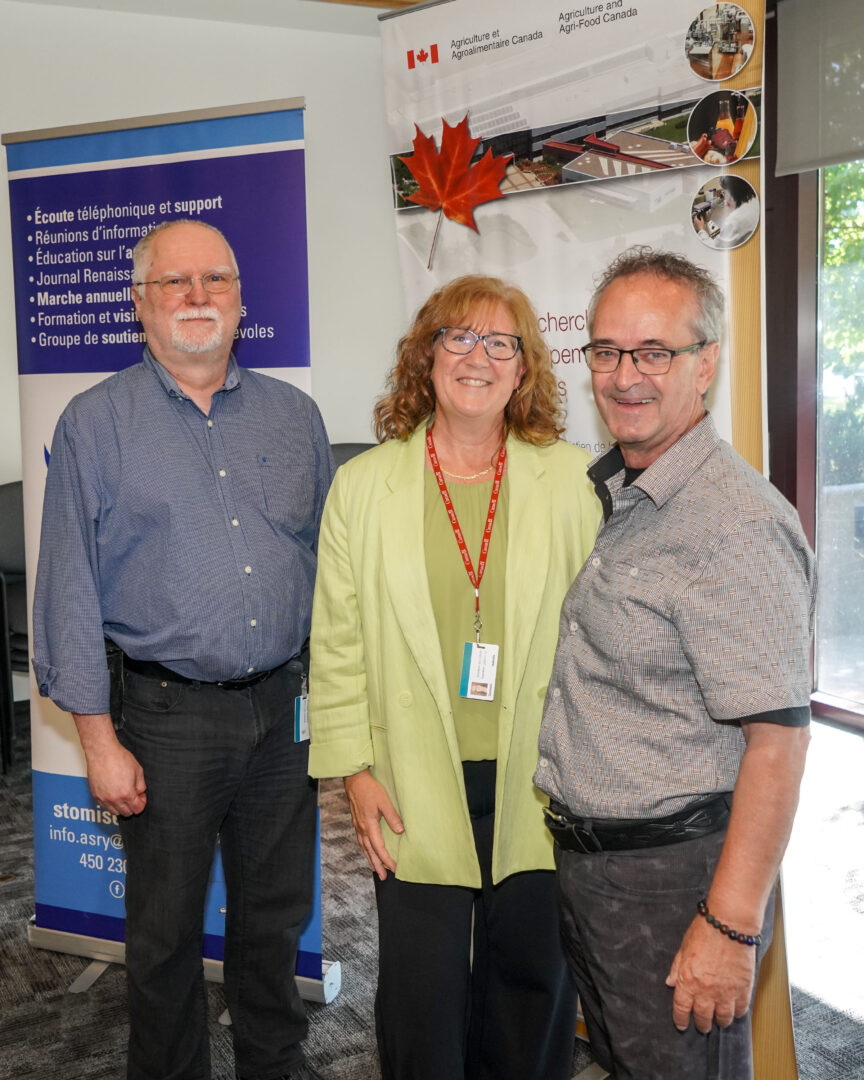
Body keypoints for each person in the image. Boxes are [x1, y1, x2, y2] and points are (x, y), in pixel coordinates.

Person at [32, 219, 333, 1080]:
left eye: (216, 281)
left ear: (243, 301)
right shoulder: (95, 425)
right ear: (140, 304)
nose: (198, 297)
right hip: (166, 719)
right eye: (175, 283)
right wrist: (97, 740)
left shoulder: (295, 416)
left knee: (274, 917)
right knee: (163, 933)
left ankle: (275, 1064)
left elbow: (329, 567)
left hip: (285, 711)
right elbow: (68, 592)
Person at [307, 275, 601, 1080]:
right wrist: (353, 773)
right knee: (420, 990)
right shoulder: (364, 488)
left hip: (540, 779)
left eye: (500, 342)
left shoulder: (574, 483)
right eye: (458, 338)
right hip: (409, 775)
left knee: (534, 981)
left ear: (524, 370)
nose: (478, 357)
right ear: (426, 357)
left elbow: (601, 644)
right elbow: (335, 642)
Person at [536, 246, 816, 1080]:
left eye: (655, 352)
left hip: (674, 886)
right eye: (609, 351)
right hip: (604, 875)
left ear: (706, 365)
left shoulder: (732, 526)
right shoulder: (631, 490)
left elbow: (780, 744)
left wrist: (728, 929)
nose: (627, 376)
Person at [694, 174, 760, 250]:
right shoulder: (754, 202)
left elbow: (715, 247)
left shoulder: (734, 220)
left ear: (734, 192)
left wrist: (700, 229)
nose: (724, 197)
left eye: (725, 192)